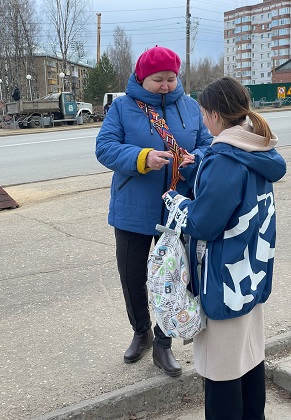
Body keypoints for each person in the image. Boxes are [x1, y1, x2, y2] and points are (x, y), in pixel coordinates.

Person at [162, 77, 286, 417]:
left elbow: (204, 222)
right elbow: (234, 195)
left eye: (203, 113)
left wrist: (176, 201)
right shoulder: (256, 150)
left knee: (222, 371)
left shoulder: (224, 160)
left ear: (215, 115)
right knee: (249, 359)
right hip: (251, 273)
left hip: (223, 279)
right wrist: (199, 170)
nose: (202, 120)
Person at [95, 46, 212, 377]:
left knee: (175, 279)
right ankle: (141, 331)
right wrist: (141, 157)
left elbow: (207, 144)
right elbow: (105, 148)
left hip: (178, 208)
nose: (165, 85)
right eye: (157, 79)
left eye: (170, 79)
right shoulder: (122, 108)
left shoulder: (190, 107)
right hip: (133, 208)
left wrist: (196, 159)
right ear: (140, 77)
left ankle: (164, 343)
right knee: (132, 277)